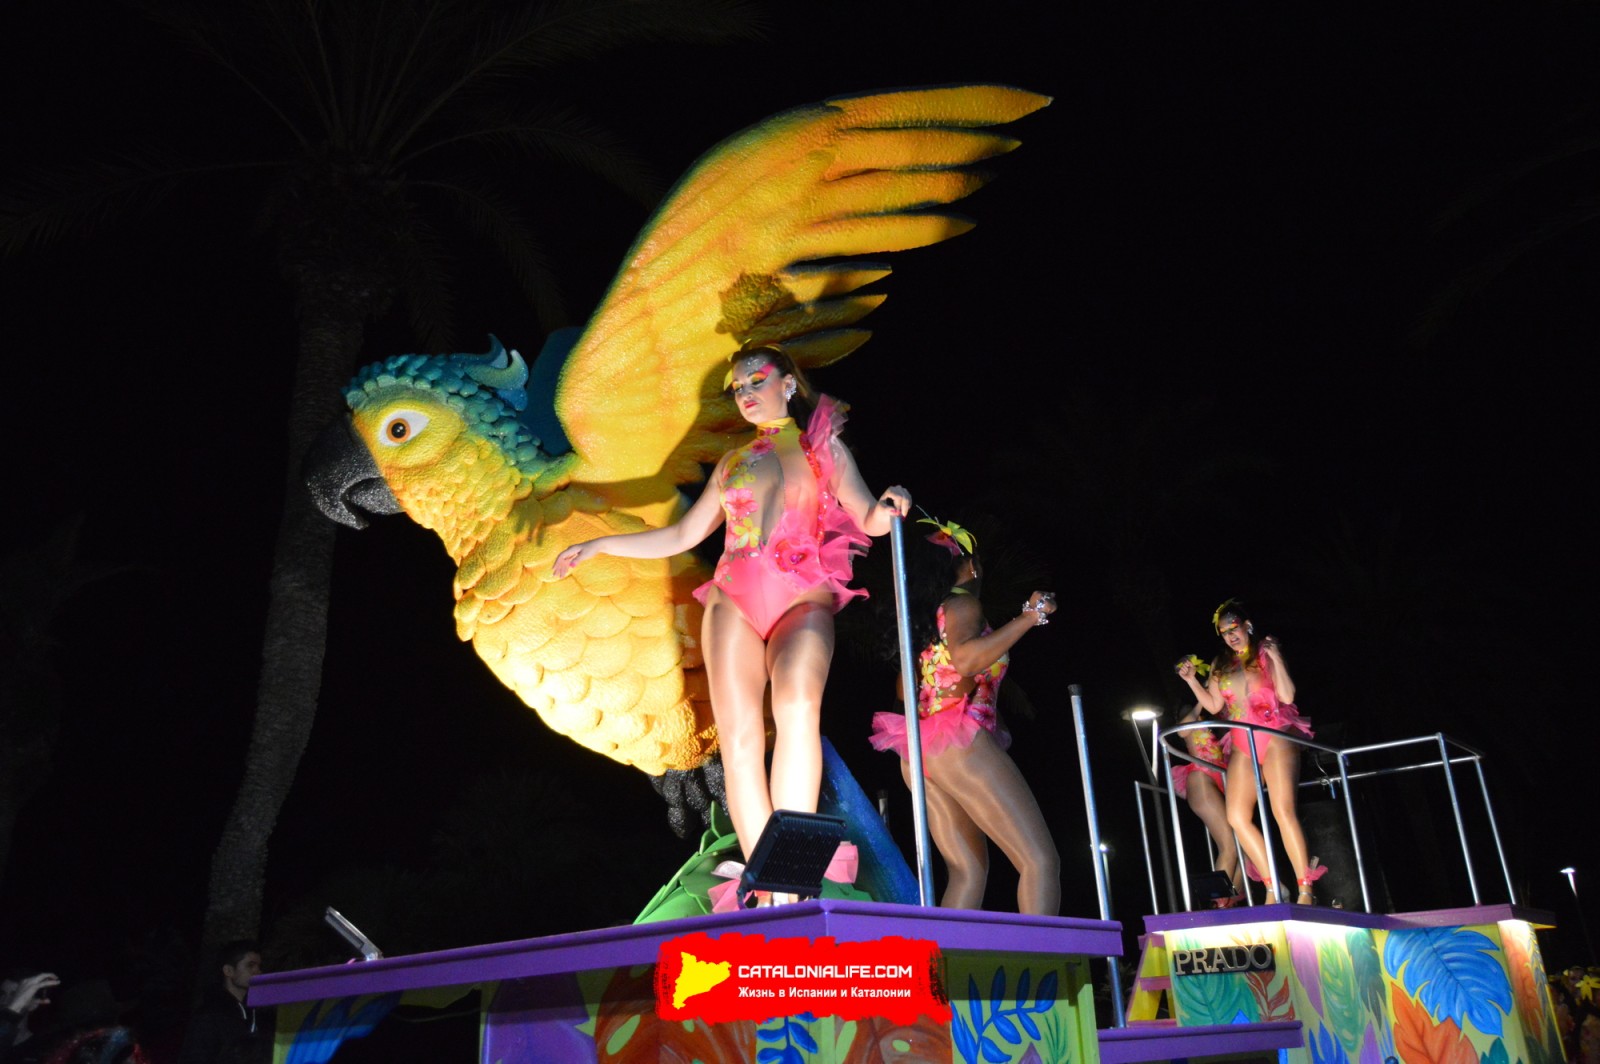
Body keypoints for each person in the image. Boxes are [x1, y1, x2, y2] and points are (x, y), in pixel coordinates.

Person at [554, 345, 911, 892]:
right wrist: (602, 544)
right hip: (733, 599)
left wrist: (890, 505)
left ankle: (792, 863)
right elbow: (683, 534)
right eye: (738, 388)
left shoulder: (823, 448)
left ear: (787, 384)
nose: (745, 393)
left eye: (756, 380)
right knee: (740, 738)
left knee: (797, 705)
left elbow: (868, 516)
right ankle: (766, 877)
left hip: (803, 596)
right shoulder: (731, 462)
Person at [867, 515, 1060, 915]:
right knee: (1040, 861)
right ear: (971, 566)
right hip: (957, 742)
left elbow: (905, 690)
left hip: (919, 752)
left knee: (968, 872)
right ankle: (1041, 954)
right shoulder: (963, 604)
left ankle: (944, 956)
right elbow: (968, 659)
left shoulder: (925, 618)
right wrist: (1029, 616)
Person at [1177, 599, 1324, 903]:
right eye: (1223, 632)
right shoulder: (1220, 664)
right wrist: (1191, 681)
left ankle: (1305, 889)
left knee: (1283, 811)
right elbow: (1214, 706)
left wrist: (1276, 657)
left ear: (1247, 626)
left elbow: (1287, 695)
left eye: (1234, 628)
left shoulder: (1263, 652)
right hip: (1242, 742)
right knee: (1236, 817)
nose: (1230, 636)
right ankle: (1272, 886)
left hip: (1274, 735)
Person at [1167, 694, 1245, 907]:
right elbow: (1182, 731)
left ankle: (1227, 902)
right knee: (1229, 846)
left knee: (1242, 850)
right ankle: (1217, 903)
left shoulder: (1214, 717)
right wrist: (1203, 699)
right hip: (1201, 778)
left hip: (1216, 779)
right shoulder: (1191, 711)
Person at [176, 941, 272, 1064]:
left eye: (259, 966)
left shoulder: (259, 1014)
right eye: (250, 965)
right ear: (228, 971)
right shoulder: (209, 1016)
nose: (257, 971)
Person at [2, 970, 60, 1063]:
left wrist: (13, 1009)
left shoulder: (42, 1050)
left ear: (33, 1005)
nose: (4, 1001)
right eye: (2, 994)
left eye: (15, 995)